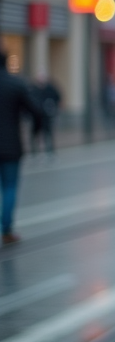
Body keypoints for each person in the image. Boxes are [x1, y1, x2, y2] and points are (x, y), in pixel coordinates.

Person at [0, 54, 43, 245]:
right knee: (9, 187)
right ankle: (7, 230)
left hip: (10, 146)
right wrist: (35, 132)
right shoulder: (16, 84)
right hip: (10, 146)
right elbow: (36, 111)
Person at [31, 75, 61, 155]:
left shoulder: (50, 88)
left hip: (47, 115)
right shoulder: (34, 89)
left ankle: (49, 148)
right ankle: (34, 149)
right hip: (37, 116)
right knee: (35, 133)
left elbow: (57, 97)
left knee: (48, 132)